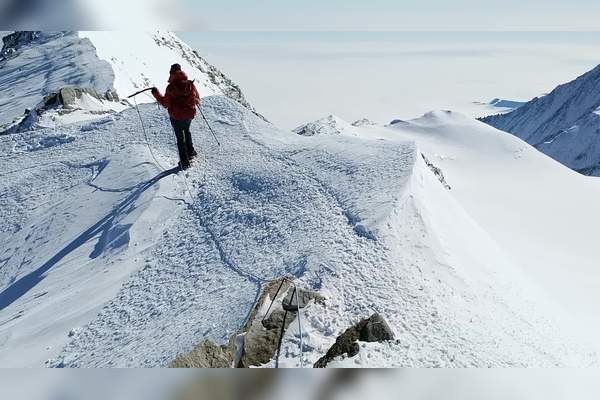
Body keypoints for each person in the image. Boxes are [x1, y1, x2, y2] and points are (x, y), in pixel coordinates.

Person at [151, 63, 200, 170]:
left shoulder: (171, 88)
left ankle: (184, 161)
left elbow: (165, 103)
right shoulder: (190, 84)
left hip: (177, 116)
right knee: (187, 131)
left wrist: (156, 94)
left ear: (171, 73)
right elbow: (197, 98)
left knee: (179, 137)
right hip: (189, 114)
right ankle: (191, 152)